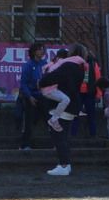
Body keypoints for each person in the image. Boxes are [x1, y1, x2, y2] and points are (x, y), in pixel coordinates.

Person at [44, 46, 85, 177]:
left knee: (59, 136)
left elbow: (53, 77)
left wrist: (42, 82)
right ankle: (65, 164)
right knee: (63, 136)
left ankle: (64, 165)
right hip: (71, 104)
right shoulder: (80, 67)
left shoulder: (68, 66)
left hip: (64, 105)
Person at [40, 47, 87, 132]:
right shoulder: (62, 63)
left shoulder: (54, 63)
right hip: (49, 89)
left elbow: (45, 70)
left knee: (65, 99)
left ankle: (53, 120)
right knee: (65, 99)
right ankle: (53, 120)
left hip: (49, 90)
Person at [16, 41, 47, 150]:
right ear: (34, 52)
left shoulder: (44, 64)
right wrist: (29, 96)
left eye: (43, 49)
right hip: (31, 96)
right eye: (40, 49)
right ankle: (25, 144)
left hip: (43, 96)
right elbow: (23, 84)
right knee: (29, 121)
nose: (42, 51)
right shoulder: (28, 66)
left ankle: (55, 143)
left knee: (50, 118)